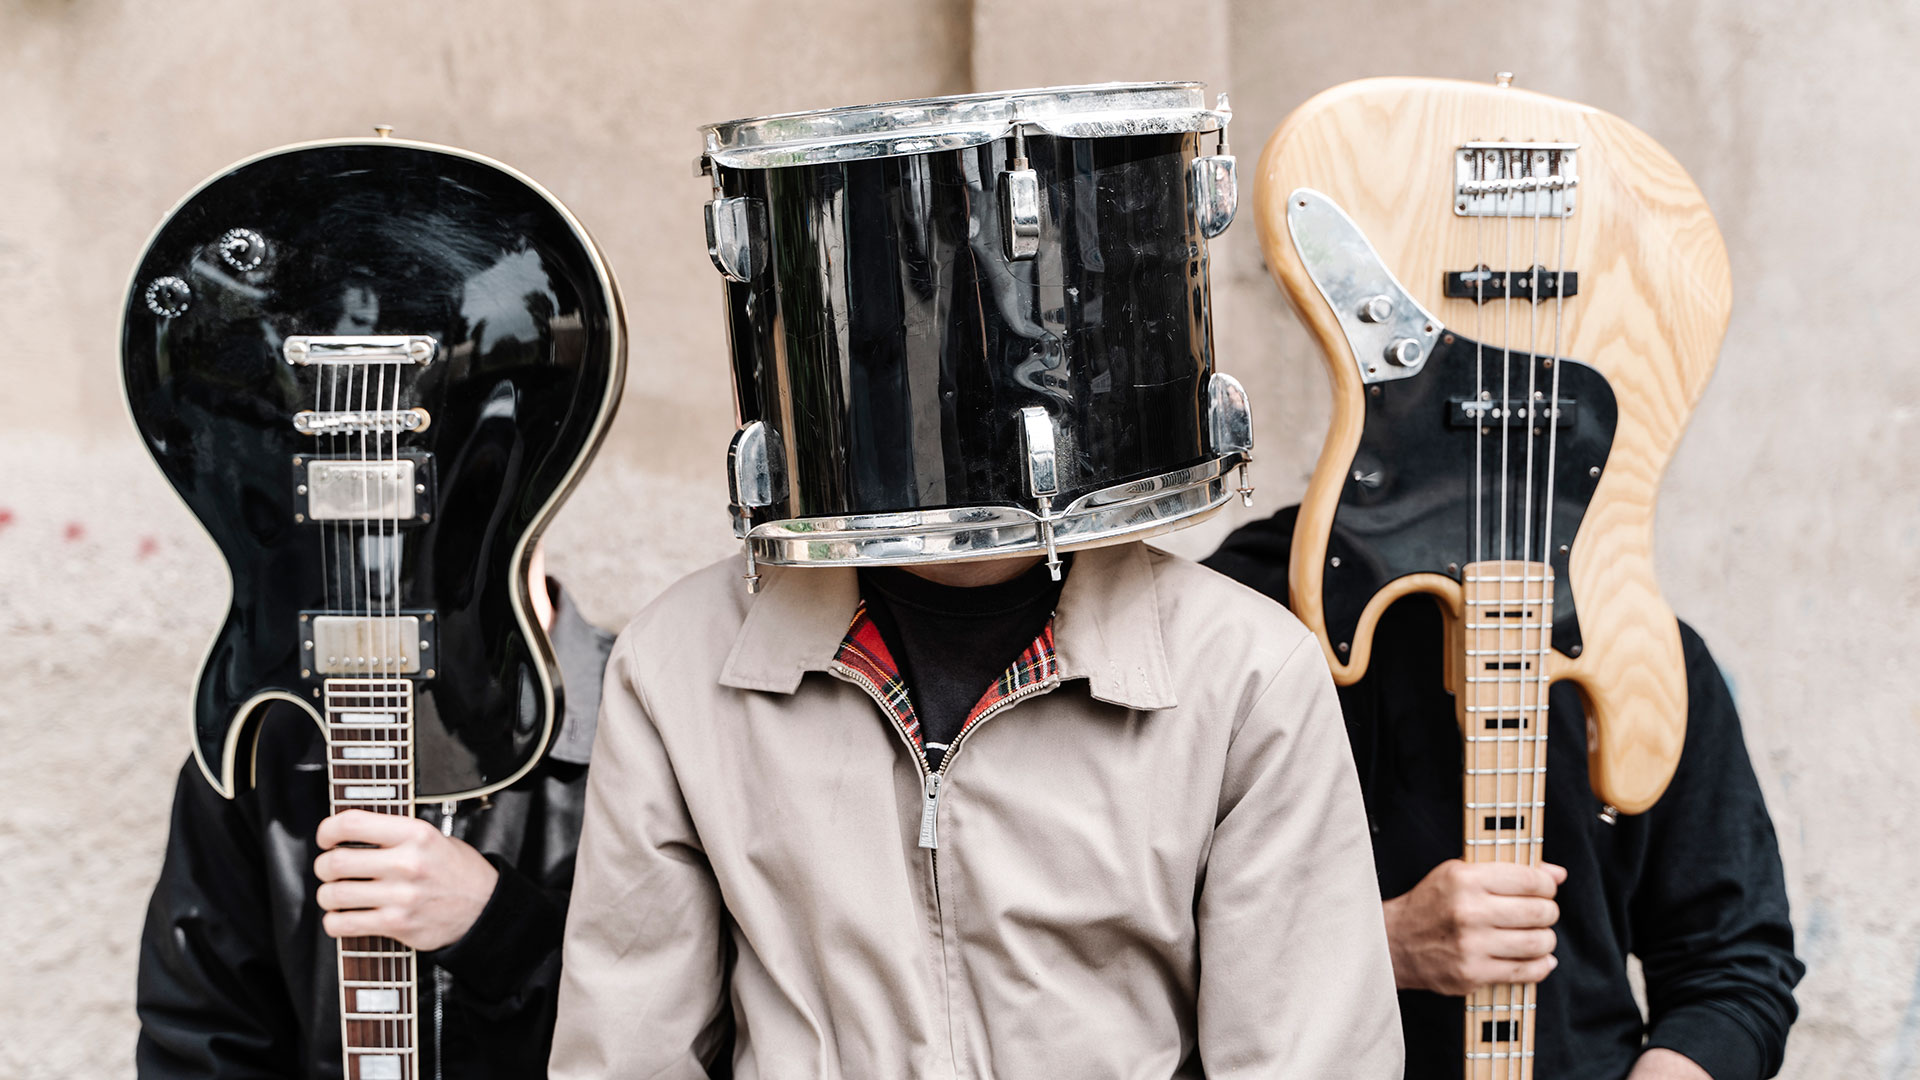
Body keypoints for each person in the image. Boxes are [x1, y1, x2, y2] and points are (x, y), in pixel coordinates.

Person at [1204, 505, 1803, 1080]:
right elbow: (1133, 975)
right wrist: (1383, 946)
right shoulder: (1230, 631)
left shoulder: (1640, 654)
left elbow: (1733, 968)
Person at [135, 556, 615, 1080]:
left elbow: (673, 1039)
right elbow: (200, 1041)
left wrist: (495, 929)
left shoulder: (642, 725)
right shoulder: (260, 740)